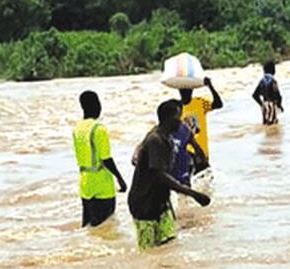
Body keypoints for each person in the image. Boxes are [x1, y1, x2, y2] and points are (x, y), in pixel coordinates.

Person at [128, 99, 211, 248]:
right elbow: (160, 176)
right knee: (149, 252)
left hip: (161, 204)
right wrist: (193, 193)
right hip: (144, 205)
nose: (180, 122)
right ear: (169, 119)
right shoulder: (155, 140)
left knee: (170, 247)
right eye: (178, 118)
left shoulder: (167, 138)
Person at [72, 90, 125, 227]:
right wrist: (120, 178)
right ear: (97, 105)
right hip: (102, 184)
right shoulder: (99, 129)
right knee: (106, 225)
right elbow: (106, 159)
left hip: (85, 183)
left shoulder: (77, 129)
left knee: (88, 225)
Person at [175, 76, 223, 164]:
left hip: (202, 150)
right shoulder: (176, 107)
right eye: (183, 90)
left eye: (188, 89)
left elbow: (218, 104)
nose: (185, 92)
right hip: (185, 153)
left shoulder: (199, 102)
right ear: (179, 90)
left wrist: (210, 87)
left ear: (192, 90)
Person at [252, 61, 283, 125]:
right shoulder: (273, 80)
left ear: (264, 70)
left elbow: (254, 95)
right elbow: (277, 94)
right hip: (271, 104)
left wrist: (261, 104)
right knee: (273, 125)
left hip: (265, 105)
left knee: (265, 124)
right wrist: (279, 105)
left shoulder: (262, 81)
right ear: (274, 70)